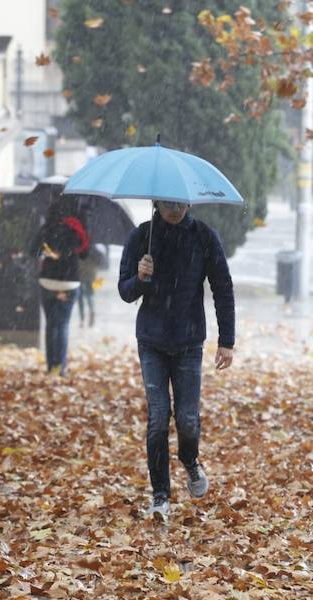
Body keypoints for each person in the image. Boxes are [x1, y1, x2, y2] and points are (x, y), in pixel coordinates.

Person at [118, 200, 235, 519]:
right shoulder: (142, 237)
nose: (174, 209)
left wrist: (227, 340)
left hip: (188, 340)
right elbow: (125, 291)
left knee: (186, 418)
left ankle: (189, 459)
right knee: (158, 418)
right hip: (152, 341)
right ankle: (160, 495)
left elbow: (222, 287)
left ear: (189, 202)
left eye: (180, 203)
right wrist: (141, 278)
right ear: (156, 202)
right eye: (168, 203)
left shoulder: (203, 236)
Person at [30, 200, 90, 376]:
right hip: (69, 282)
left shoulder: (46, 228)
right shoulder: (76, 227)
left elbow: (32, 251)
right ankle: (60, 369)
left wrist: (47, 251)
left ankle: (51, 368)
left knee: (51, 325)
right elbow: (85, 254)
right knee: (62, 325)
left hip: (48, 281)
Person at [77, 244, 106, 328]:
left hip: (82, 275)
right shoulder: (95, 249)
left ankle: (83, 319)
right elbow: (101, 263)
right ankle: (90, 313)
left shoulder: (80, 246)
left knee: (81, 298)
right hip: (90, 275)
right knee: (89, 297)